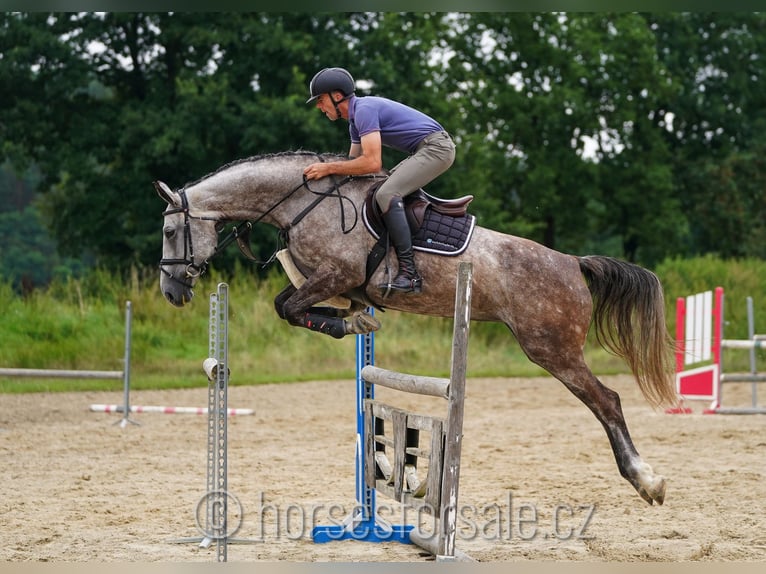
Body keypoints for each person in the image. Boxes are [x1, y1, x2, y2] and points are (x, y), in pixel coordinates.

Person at [303, 67, 455, 294]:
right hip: (425, 149)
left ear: (337, 97)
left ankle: (410, 274)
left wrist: (327, 168)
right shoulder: (354, 121)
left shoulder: (364, 111)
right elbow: (353, 164)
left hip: (437, 148)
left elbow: (372, 163)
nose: (318, 106)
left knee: (385, 194)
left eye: (321, 99)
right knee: (377, 189)